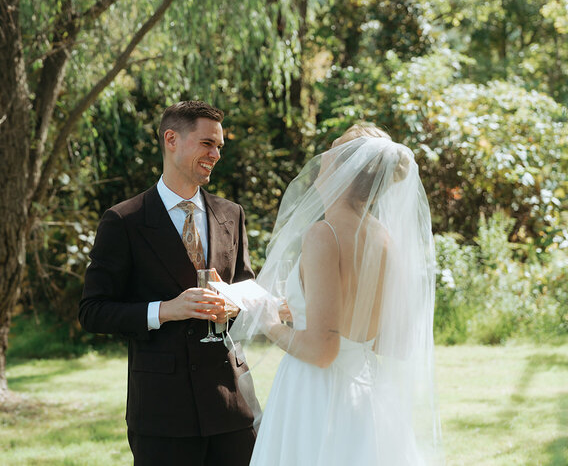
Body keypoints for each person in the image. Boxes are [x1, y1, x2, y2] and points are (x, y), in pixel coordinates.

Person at [233, 123, 442, 465]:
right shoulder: (384, 240)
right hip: (368, 393)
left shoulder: (323, 234)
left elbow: (322, 351)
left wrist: (270, 321)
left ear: (345, 171)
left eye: (331, 154)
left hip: (318, 395)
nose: (322, 159)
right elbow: (391, 341)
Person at [79, 100, 257, 466]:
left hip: (232, 404)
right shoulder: (124, 220)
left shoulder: (231, 214)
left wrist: (235, 303)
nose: (216, 154)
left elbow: (247, 286)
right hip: (163, 411)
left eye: (220, 146)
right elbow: (92, 312)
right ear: (171, 139)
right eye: (207, 143)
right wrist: (164, 311)